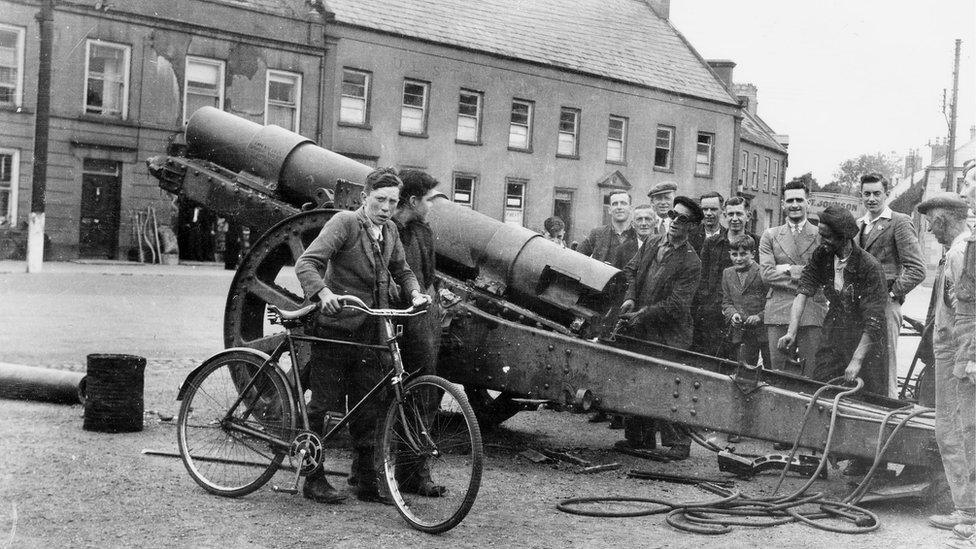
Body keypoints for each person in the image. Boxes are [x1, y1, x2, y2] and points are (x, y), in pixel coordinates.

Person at [295, 167, 430, 504]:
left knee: (369, 406)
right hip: (336, 329)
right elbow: (306, 264)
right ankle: (313, 479)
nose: (386, 208)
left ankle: (367, 481)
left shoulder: (391, 233)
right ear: (365, 197)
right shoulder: (344, 223)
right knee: (323, 405)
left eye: (392, 202)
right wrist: (323, 294)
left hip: (372, 330)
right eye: (380, 200)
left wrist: (414, 293)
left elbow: (403, 270)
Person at [615, 196, 703, 459]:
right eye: (674, 215)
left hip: (669, 334)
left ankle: (679, 445)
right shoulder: (653, 242)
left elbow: (676, 305)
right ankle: (640, 440)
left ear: (693, 227)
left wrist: (641, 315)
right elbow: (630, 271)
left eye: (683, 219)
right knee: (637, 378)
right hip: (641, 328)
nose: (675, 222)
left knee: (669, 385)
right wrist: (630, 298)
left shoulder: (691, 261)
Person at [777, 205, 888, 393]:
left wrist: (856, 359)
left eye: (827, 236)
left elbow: (874, 320)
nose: (822, 241)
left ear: (844, 237)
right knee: (823, 383)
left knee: (865, 393)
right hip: (835, 327)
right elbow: (803, 291)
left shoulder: (869, 266)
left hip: (865, 336)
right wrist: (791, 332)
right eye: (821, 235)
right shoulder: (822, 255)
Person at [916, 194, 976, 543]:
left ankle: (970, 510)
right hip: (949, 348)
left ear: (943, 220)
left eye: (931, 221)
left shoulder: (959, 253)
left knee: (960, 430)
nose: (928, 227)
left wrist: (968, 355)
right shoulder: (957, 251)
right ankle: (965, 507)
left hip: (957, 351)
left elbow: (968, 310)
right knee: (951, 430)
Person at [389, 169, 446, 497]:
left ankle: (415, 473)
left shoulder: (423, 231)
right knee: (392, 396)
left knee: (424, 395)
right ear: (412, 200)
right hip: (398, 322)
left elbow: (427, 274)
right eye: (428, 200)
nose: (431, 206)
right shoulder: (391, 231)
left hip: (422, 322)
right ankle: (378, 473)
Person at [857, 173, 925, 397]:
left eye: (877, 193)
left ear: (886, 194)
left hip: (886, 305)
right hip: (861, 305)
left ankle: (889, 409)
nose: (872, 199)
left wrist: (892, 294)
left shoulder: (899, 221)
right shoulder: (858, 225)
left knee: (886, 364)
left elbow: (917, 269)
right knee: (862, 364)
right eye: (867, 194)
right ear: (861, 195)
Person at [759, 180, 827, 375]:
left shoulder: (820, 235)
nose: (795, 204)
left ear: (808, 202)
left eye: (799, 199)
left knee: (810, 372)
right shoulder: (770, 235)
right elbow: (767, 274)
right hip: (779, 310)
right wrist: (807, 275)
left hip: (811, 309)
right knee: (778, 372)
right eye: (790, 200)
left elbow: (823, 274)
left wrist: (788, 269)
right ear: (783, 204)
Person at [692, 195, 760, 356]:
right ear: (725, 215)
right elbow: (703, 278)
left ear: (748, 216)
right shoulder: (712, 243)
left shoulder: (756, 242)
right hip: (714, 314)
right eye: (730, 214)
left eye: (739, 214)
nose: (734, 219)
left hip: (745, 318)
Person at [721, 234, 769, 368]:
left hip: (763, 333)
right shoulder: (727, 273)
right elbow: (727, 302)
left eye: (743, 254)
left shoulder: (762, 272)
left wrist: (759, 317)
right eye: (734, 254)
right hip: (741, 333)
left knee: (769, 370)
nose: (738, 258)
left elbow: (772, 302)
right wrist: (732, 314)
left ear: (753, 254)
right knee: (743, 371)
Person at [577, 191, 637, 268]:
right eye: (615, 204)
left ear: (630, 209)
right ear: (609, 209)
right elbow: (578, 257)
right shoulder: (597, 234)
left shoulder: (638, 235)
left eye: (623, 203)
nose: (619, 207)